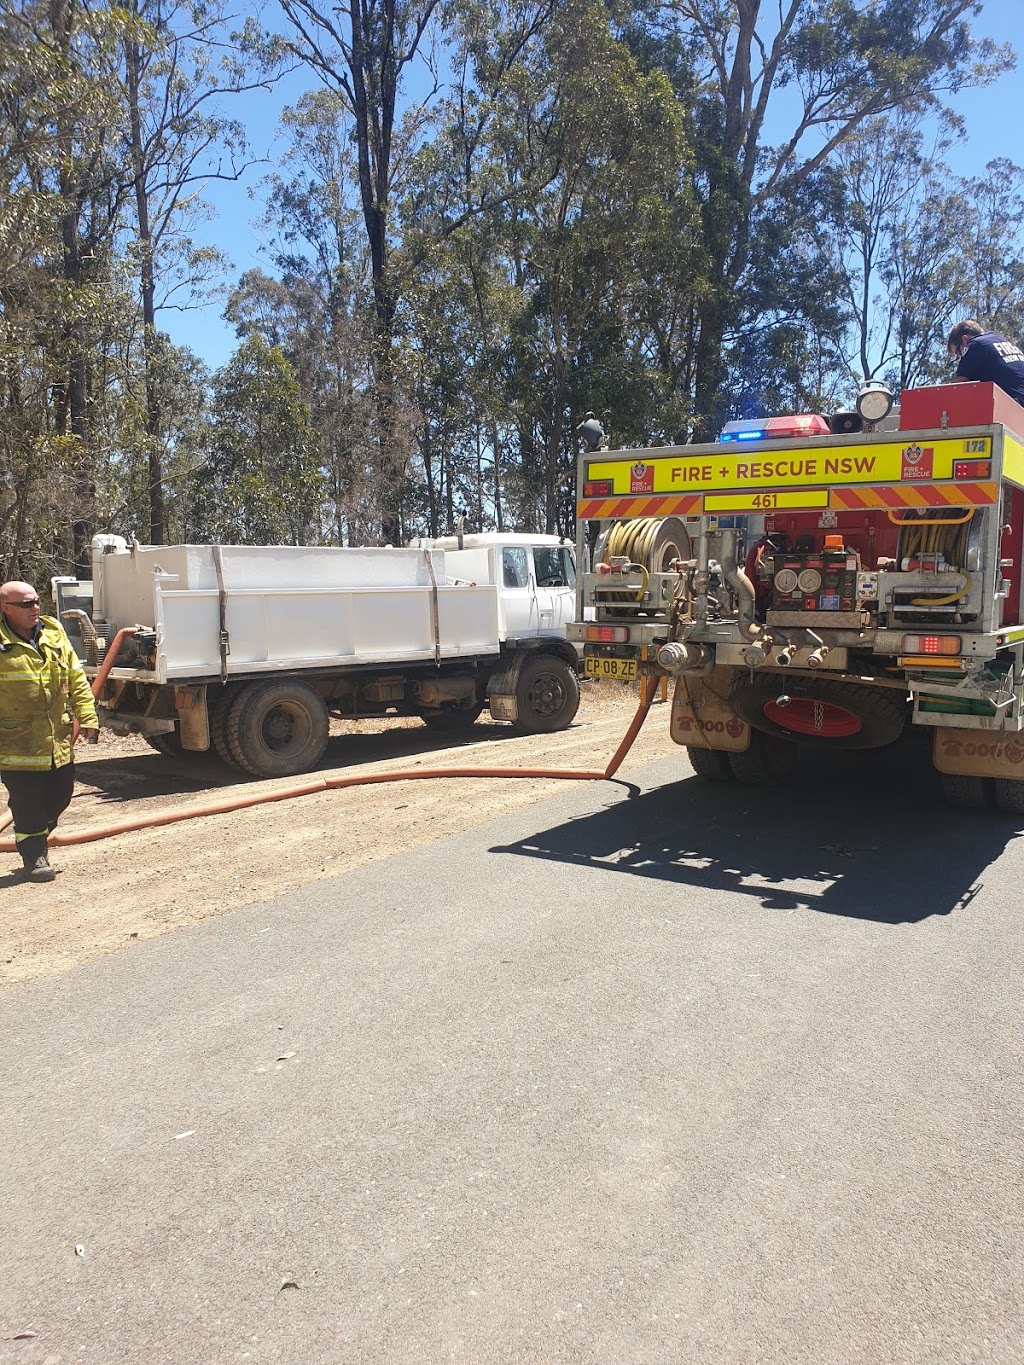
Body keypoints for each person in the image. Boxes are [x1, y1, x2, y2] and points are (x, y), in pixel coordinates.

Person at [0, 581, 98, 882]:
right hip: (17, 743)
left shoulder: (52, 631)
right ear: (6, 608)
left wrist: (88, 715)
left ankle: (33, 835)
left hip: (57, 738)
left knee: (61, 795)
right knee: (27, 800)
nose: (35, 608)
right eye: (25, 604)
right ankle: (35, 857)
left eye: (36, 601)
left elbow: (75, 677)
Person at [947, 319, 1024, 406]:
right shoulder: (1000, 340)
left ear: (964, 339)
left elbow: (956, 387)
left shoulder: (974, 344)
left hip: (1012, 405)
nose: (960, 356)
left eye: (958, 352)